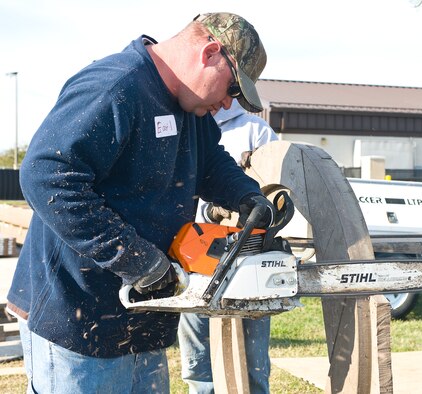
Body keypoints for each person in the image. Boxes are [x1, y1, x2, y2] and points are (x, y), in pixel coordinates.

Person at [6, 12, 275, 393]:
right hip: (77, 316)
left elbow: (210, 161)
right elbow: (46, 175)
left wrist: (247, 196)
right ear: (210, 52)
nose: (227, 104)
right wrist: (136, 260)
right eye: (232, 88)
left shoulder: (188, 107)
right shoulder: (117, 86)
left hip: (140, 314)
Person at [178, 99, 278, 394]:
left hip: (246, 264)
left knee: (252, 366)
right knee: (199, 364)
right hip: (194, 257)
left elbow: (272, 188)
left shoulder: (255, 131)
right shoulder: (187, 123)